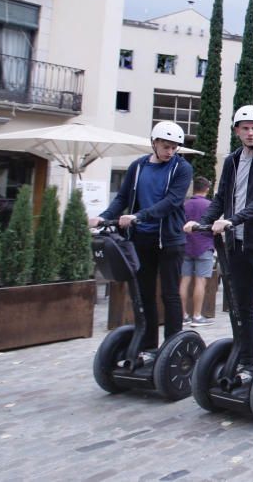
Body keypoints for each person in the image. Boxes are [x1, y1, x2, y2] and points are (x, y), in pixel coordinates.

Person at [183, 105, 253, 372]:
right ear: (237, 131)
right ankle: (248, 360)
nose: (250, 133)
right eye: (245, 128)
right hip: (236, 244)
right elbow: (220, 197)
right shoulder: (231, 160)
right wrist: (203, 222)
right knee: (240, 306)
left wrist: (233, 219)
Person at [90, 121, 192, 357]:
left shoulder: (182, 168)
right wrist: (103, 217)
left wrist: (138, 216)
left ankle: (172, 348)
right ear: (154, 143)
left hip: (170, 240)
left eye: (174, 147)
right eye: (166, 146)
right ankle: (148, 346)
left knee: (170, 293)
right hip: (141, 239)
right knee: (143, 292)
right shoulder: (137, 167)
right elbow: (122, 198)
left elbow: (173, 201)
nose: (170, 152)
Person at [180, 176, 215, 327]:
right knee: (200, 281)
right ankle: (197, 316)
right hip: (204, 245)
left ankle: (182, 316)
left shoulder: (185, 205)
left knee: (184, 280)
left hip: (186, 245)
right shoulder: (210, 205)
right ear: (207, 188)